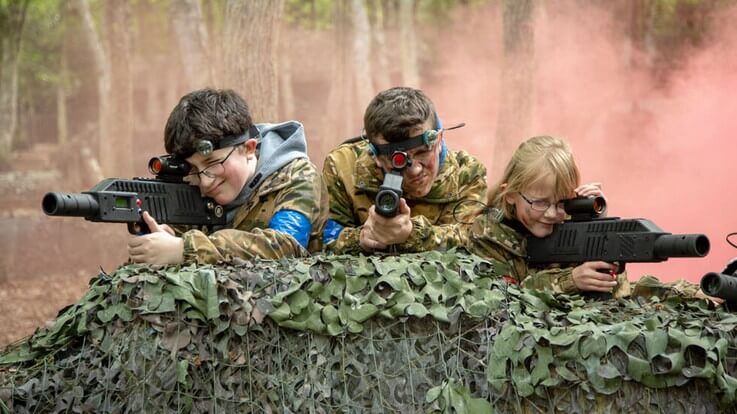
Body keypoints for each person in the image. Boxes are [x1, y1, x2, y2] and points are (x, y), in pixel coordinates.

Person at [466, 135, 717, 302]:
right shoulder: (488, 233)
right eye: (540, 203)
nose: (553, 214)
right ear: (510, 195)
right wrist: (571, 280)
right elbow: (501, 300)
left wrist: (596, 228)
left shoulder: (567, 221)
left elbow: (619, 292)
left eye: (563, 202)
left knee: (689, 295)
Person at [127, 88, 328, 265]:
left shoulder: (297, 176)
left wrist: (184, 249)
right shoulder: (192, 185)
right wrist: (160, 241)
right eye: (193, 170)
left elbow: (284, 246)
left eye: (213, 163)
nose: (205, 182)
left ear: (249, 148)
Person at [322, 86, 487, 254]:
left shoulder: (467, 174)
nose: (415, 170)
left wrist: (414, 234)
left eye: (423, 152)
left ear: (439, 140)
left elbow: (477, 242)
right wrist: (360, 239)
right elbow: (322, 242)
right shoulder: (343, 166)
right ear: (376, 157)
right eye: (398, 161)